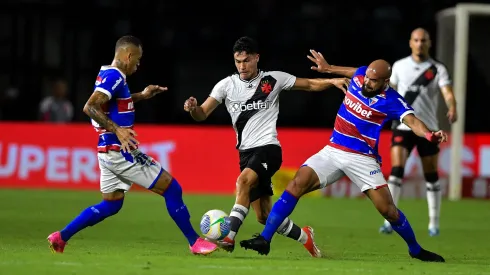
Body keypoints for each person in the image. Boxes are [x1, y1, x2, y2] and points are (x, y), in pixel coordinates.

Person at [239, 56, 447, 263]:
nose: (367, 82)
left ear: (385, 82)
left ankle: (415, 249)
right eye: (367, 77)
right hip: (334, 150)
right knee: (296, 184)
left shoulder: (392, 100)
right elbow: (354, 70)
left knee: (388, 210)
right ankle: (265, 239)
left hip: (362, 158)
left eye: (374, 81)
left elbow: (412, 120)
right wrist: (329, 68)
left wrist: (429, 135)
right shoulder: (360, 76)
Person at [47, 35, 218, 255]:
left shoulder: (108, 74)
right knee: (172, 188)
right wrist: (118, 130)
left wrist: (142, 95)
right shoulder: (115, 76)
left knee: (112, 204)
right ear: (128, 55)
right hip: (121, 151)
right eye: (137, 60)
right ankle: (195, 242)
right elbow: (89, 107)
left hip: (106, 152)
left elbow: (112, 103)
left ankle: (61, 237)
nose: (138, 65)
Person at [183, 36, 349, 257]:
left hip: (268, 149)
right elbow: (202, 114)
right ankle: (305, 237)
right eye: (238, 61)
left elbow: (308, 84)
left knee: (242, 181)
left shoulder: (273, 79)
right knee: (264, 216)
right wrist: (193, 109)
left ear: (256, 58)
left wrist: (332, 81)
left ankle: (228, 236)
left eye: (246, 60)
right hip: (245, 153)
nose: (242, 66)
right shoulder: (226, 85)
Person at [378, 28, 457, 237]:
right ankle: (389, 220)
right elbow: (388, 92)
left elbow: (447, 93)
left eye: (423, 40)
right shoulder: (399, 66)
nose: (420, 43)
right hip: (403, 126)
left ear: (429, 43)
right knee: (396, 170)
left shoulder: (437, 69)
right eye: (416, 40)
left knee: (431, 175)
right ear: (410, 42)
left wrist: (452, 107)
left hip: (428, 129)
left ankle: (434, 223)